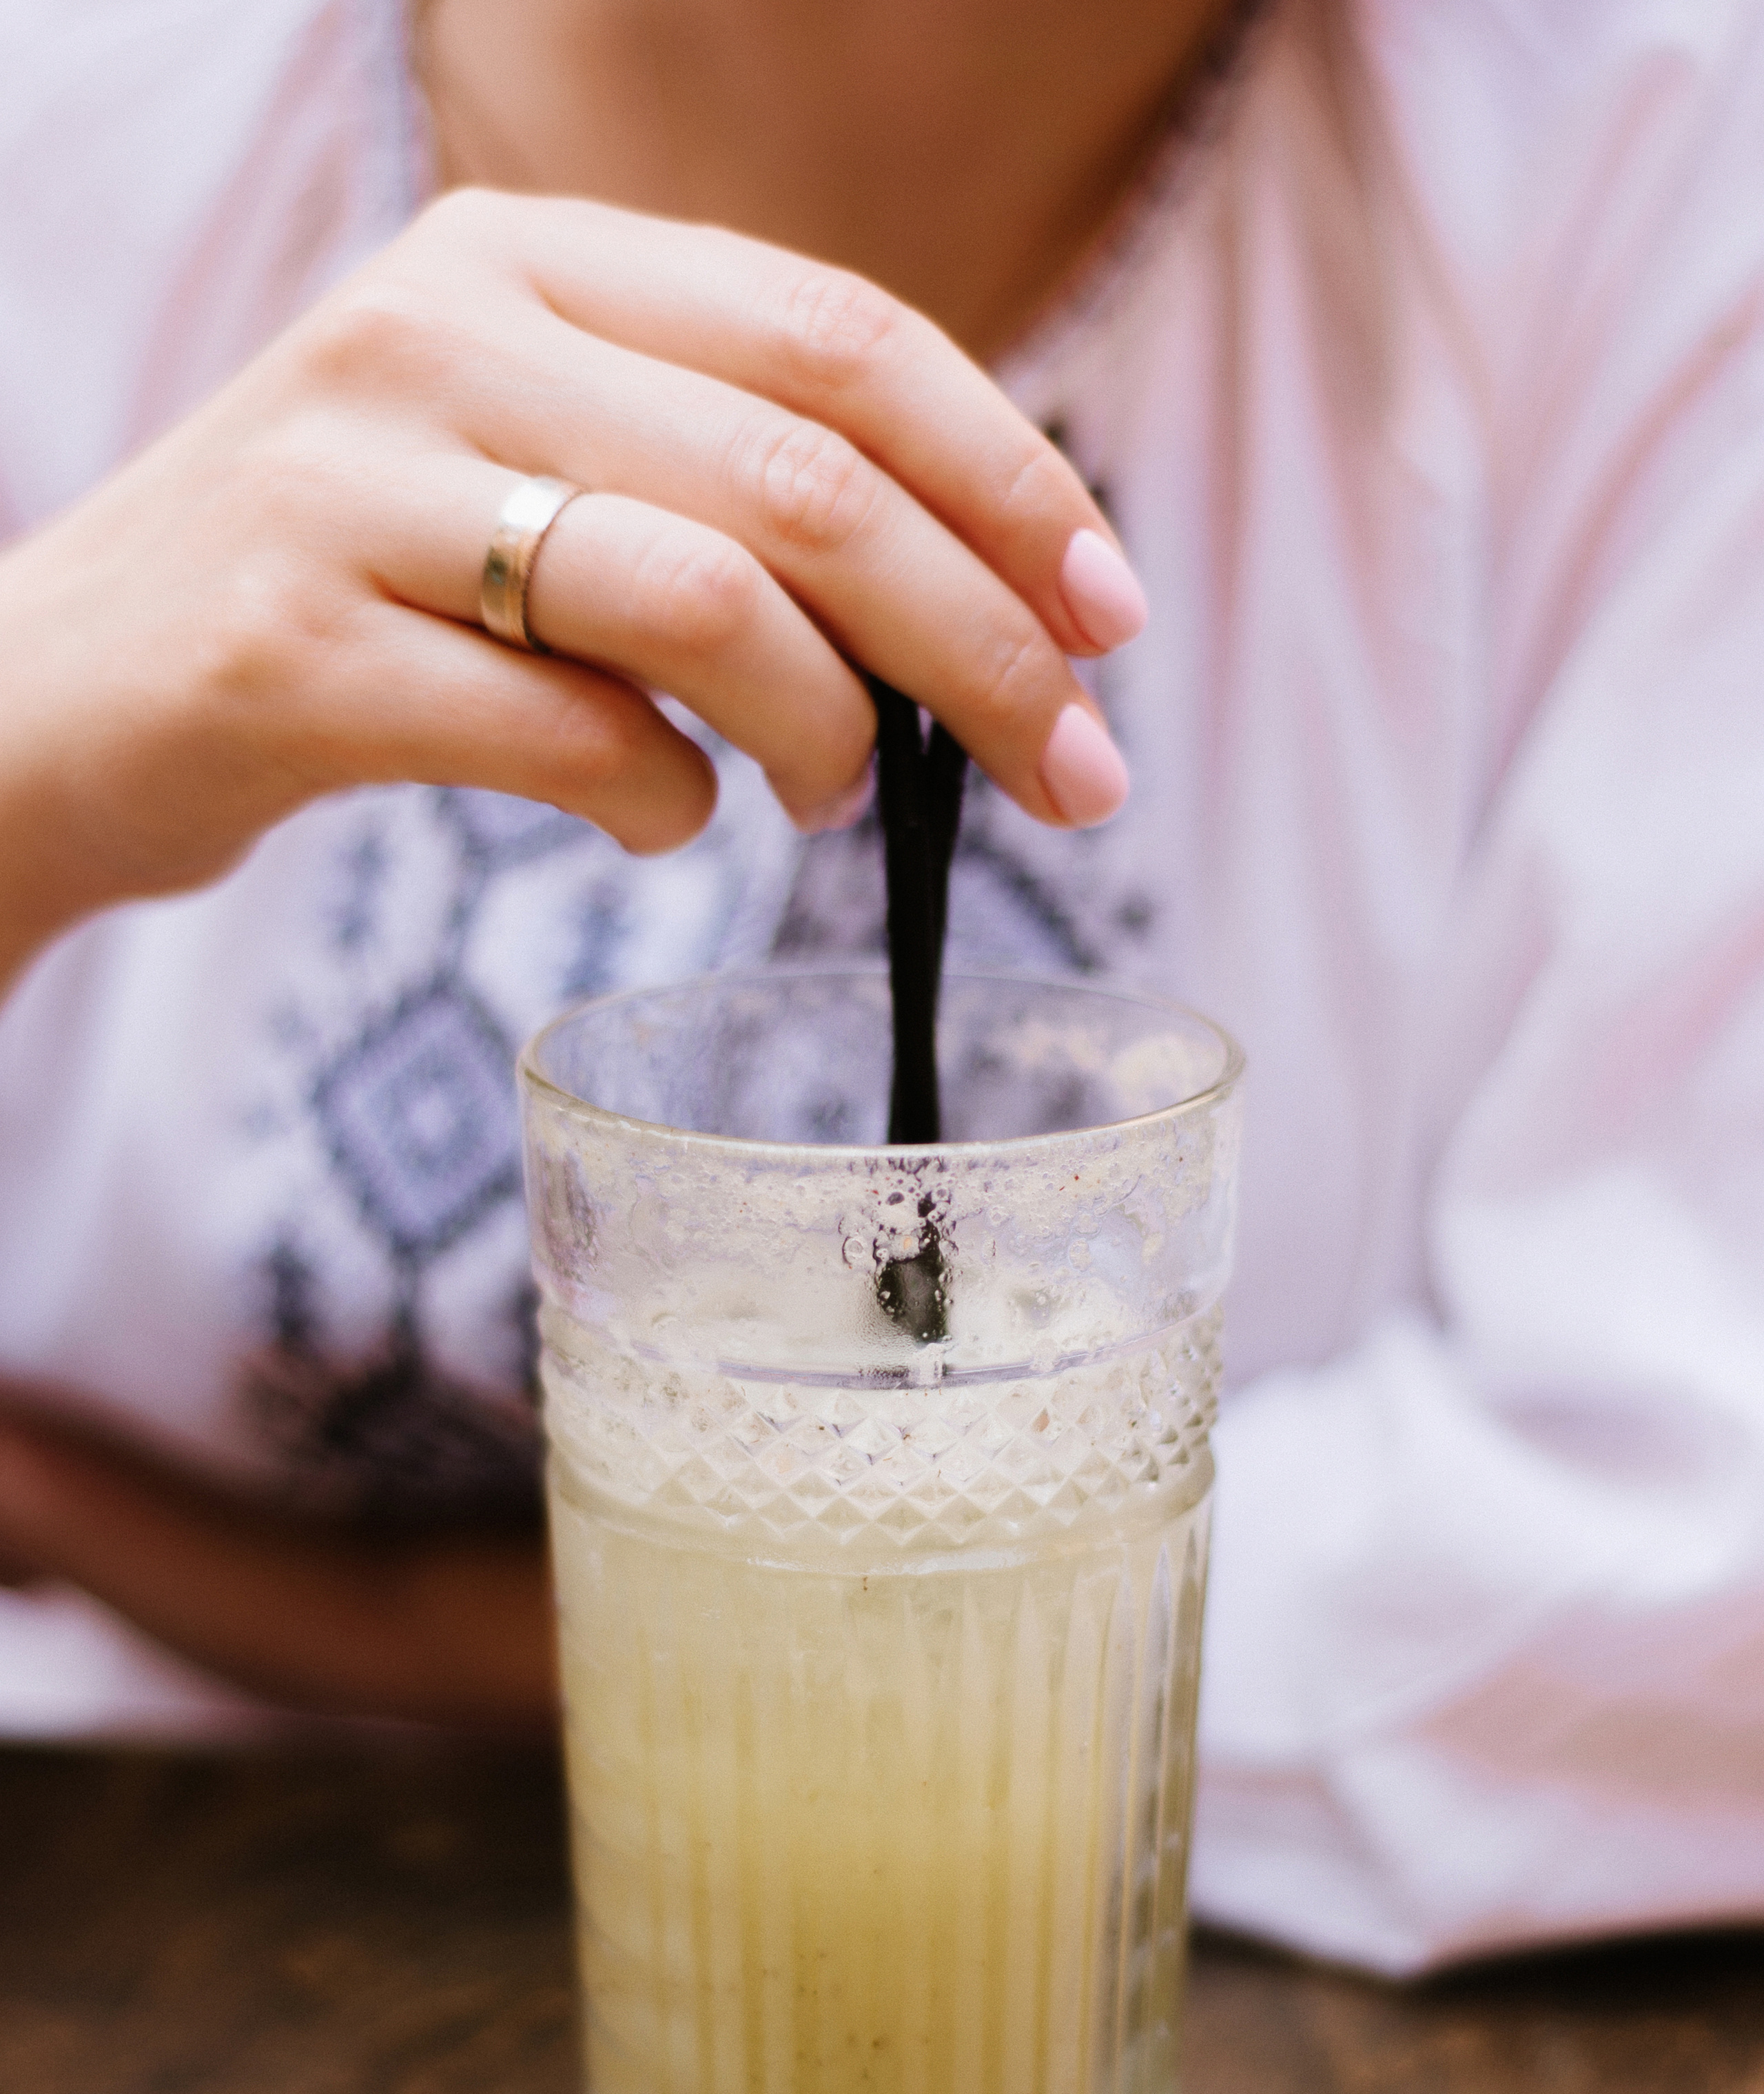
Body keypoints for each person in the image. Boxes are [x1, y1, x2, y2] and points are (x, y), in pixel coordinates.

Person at [3, 0, 1764, 1975]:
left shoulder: (1664, 170)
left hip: (1115, 2038)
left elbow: (1682, 1574)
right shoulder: (74, 126)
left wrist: (234, 1583)